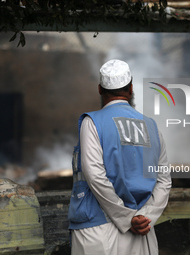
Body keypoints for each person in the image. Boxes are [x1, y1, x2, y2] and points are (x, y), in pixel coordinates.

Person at [68, 59, 172, 255]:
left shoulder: (92, 123)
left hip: (97, 230)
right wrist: (144, 217)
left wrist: (127, 218)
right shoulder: (152, 127)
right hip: (143, 232)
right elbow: (164, 181)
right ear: (131, 88)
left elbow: (95, 176)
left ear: (100, 89)